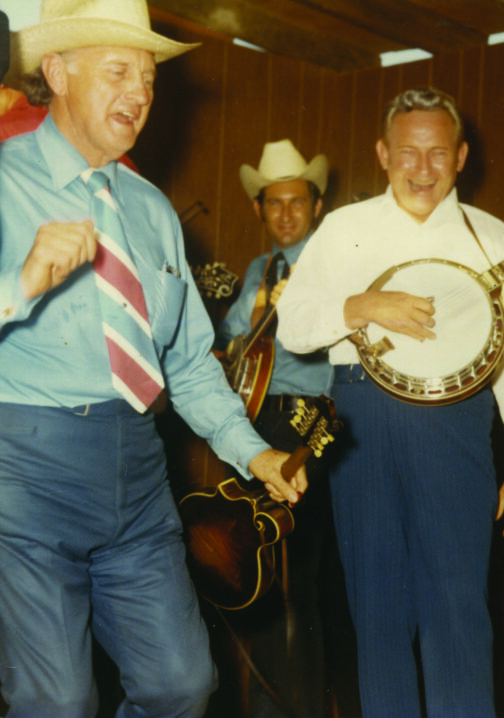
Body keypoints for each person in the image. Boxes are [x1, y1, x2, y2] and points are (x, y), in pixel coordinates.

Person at [0, 2, 305, 717]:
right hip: (26, 469)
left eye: (148, 78)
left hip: (138, 472)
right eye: (119, 72)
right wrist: (22, 284)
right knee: (58, 701)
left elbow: (189, 361)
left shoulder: (151, 210)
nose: (139, 93)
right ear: (57, 73)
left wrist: (251, 453)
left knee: (181, 685)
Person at [276, 86, 504, 718]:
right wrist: (360, 306)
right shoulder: (343, 229)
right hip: (361, 423)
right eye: (407, 153)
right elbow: (292, 323)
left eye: (438, 153)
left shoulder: (493, 236)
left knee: (458, 611)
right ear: (382, 155)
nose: (422, 169)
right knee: (378, 615)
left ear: (462, 157)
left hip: (456, 425)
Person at [215, 140, 357, 717]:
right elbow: (231, 342)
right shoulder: (258, 269)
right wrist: (248, 323)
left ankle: (300, 705)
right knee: (263, 569)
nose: (287, 215)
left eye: (297, 202)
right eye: (274, 204)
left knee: (302, 571)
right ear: (259, 209)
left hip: (310, 421)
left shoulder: (332, 262)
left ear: (317, 205)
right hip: (259, 422)